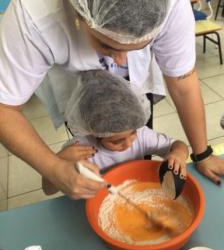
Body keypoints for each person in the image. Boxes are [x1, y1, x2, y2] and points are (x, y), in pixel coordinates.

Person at [0, 0, 224, 202]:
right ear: (79, 16)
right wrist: (53, 167)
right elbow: (4, 107)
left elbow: (182, 80)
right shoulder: (35, 12)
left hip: (136, 97)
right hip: (81, 95)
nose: (120, 61)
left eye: (138, 47)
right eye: (107, 45)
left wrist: (202, 154)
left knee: (138, 147)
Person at [42, 70, 189, 195]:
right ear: (93, 133)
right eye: (116, 141)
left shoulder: (142, 135)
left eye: (133, 133)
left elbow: (179, 145)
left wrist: (178, 154)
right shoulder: (79, 149)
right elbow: (48, 189)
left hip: (136, 190)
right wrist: (60, 159)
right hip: (97, 197)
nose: (128, 143)